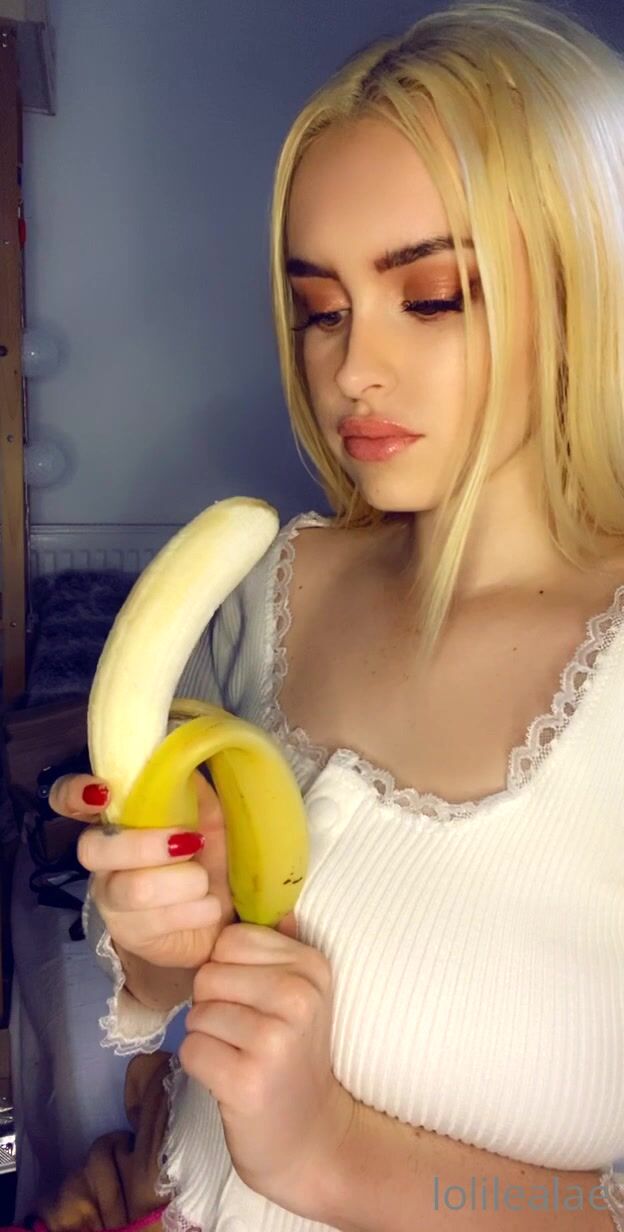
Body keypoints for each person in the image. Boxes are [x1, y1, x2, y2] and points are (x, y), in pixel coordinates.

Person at [38, 0, 624, 1227]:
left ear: (585, 284)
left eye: (434, 296)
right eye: (320, 306)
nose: (352, 368)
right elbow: (178, 1012)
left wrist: (336, 1154)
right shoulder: (268, 590)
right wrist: (157, 941)